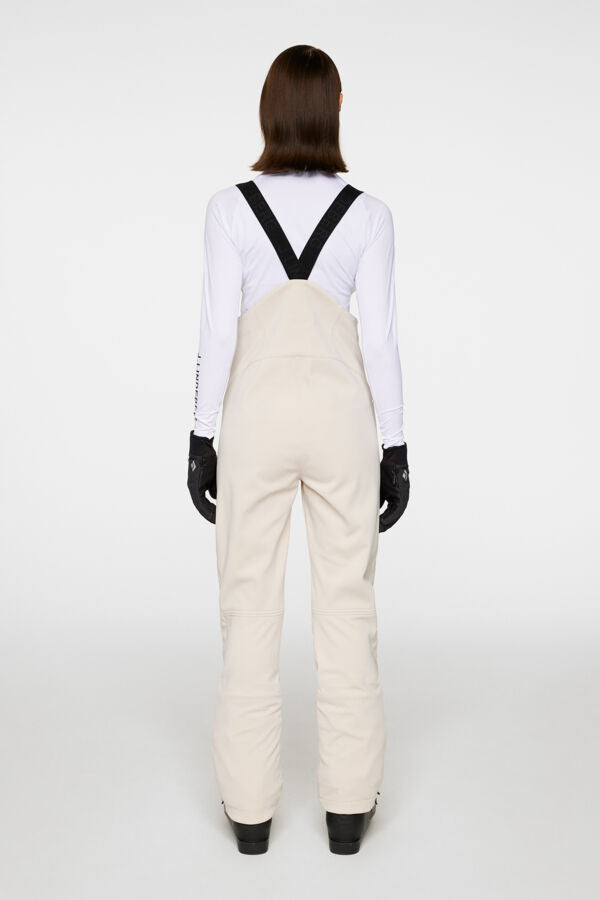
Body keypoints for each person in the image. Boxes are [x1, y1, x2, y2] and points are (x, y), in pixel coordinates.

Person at [187, 44, 410, 855]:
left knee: (248, 606)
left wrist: (201, 435)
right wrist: (395, 446)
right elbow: (378, 340)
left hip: (255, 419)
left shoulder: (228, 209)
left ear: (269, 109)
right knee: (347, 606)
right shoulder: (370, 215)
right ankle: (347, 812)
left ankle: (250, 815)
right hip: (343, 420)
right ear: (335, 108)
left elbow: (218, 331)